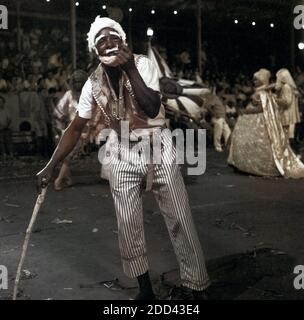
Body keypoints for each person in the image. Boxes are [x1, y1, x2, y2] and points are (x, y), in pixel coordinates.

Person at [36, 16, 210, 300]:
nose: (107, 43)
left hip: (158, 144)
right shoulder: (92, 84)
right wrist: (50, 166)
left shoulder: (142, 64)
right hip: (121, 148)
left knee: (179, 216)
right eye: (100, 41)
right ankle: (145, 292)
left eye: (113, 38)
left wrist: (129, 68)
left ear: (123, 43)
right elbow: (75, 127)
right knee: (127, 223)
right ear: (95, 52)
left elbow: (153, 108)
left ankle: (196, 286)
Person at [228, 68, 304, 178]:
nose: (254, 82)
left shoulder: (264, 92)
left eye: (256, 80)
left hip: (260, 120)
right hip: (255, 119)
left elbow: (261, 108)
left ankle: (256, 165)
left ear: (262, 80)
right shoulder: (262, 90)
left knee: (266, 142)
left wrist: (247, 111)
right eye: (254, 80)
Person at [52, 70, 88, 190]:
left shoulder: (89, 94)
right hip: (69, 128)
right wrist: (61, 122)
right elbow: (58, 111)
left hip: (82, 129)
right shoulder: (68, 95)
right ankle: (67, 178)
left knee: (68, 156)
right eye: (76, 81)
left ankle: (59, 180)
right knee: (64, 155)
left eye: (80, 81)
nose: (78, 83)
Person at [274, 68, 301, 154]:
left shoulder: (286, 87)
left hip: (286, 115)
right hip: (289, 115)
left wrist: (275, 99)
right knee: (288, 137)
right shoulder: (291, 87)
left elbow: (287, 102)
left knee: (286, 138)